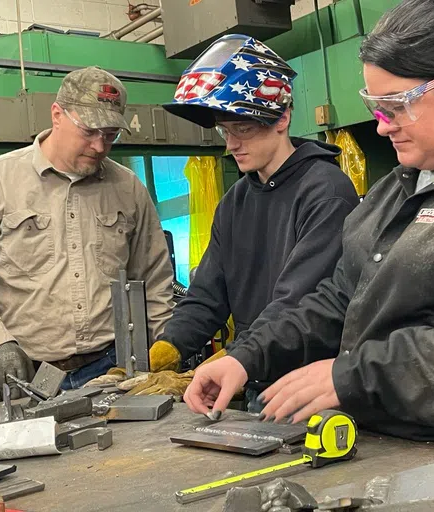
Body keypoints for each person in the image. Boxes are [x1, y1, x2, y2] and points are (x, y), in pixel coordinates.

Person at [184, 0, 434, 453]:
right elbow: (339, 298)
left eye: (394, 105)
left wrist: (354, 376)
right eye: (374, 106)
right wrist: (247, 356)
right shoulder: (393, 192)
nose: (381, 127)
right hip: (395, 444)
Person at [105, 34, 359, 405]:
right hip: (250, 375)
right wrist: (166, 351)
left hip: (307, 382)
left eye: (243, 129)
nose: (231, 144)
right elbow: (207, 294)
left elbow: (299, 303)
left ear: (282, 118)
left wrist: (234, 360)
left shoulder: (326, 191)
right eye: (225, 130)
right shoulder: (235, 200)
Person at [0, 66, 175, 402]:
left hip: (112, 370)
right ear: (57, 114)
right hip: (27, 374)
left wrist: (167, 350)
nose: (100, 145)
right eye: (89, 131)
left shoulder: (127, 188)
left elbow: (154, 280)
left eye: (110, 135)